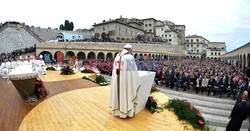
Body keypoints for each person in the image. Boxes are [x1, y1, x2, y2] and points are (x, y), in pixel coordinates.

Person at [109, 44, 141, 118]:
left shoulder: (117, 56)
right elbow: (133, 72)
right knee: (126, 93)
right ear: (129, 49)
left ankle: (117, 111)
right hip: (125, 81)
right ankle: (126, 112)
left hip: (117, 80)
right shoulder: (129, 57)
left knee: (118, 93)